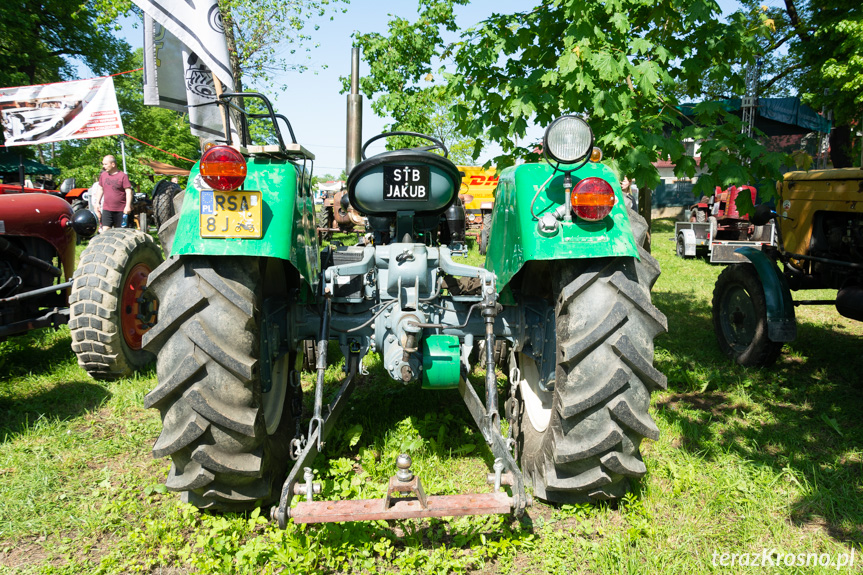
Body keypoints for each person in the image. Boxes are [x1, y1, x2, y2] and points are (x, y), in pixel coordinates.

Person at [94, 155, 132, 232]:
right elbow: (100, 189)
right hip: (107, 209)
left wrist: (128, 206)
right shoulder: (103, 175)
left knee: (121, 232)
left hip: (121, 210)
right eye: (103, 164)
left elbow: (128, 191)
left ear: (113, 164)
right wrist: (97, 203)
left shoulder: (123, 176)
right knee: (105, 231)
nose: (104, 166)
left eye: (105, 164)